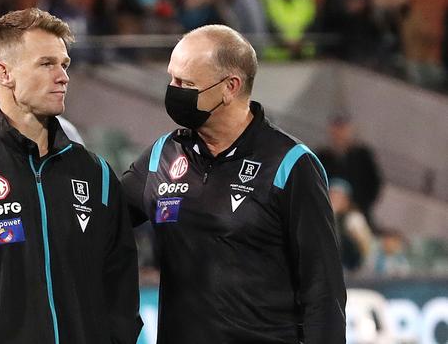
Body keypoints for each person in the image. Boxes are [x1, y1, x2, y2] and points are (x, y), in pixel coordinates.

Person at [0, 8, 142, 343]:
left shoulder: (96, 174)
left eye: (64, 64)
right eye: (47, 63)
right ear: (4, 74)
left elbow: (120, 290)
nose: (63, 76)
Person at [121, 24, 346, 343]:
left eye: (186, 83)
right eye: (171, 79)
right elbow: (100, 221)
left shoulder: (290, 164)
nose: (173, 91)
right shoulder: (163, 155)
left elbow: (324, 290)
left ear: (230, 86)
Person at [317, 113, 382, 233]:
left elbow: (375, 184)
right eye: (336, 128)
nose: (339, 133)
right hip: (327, 213)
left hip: (357, 212)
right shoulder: (322, 156)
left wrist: (358, 205)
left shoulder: (363, 156)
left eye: (343, 128)